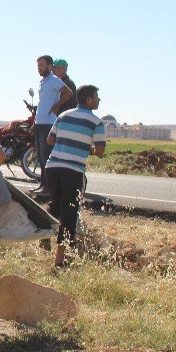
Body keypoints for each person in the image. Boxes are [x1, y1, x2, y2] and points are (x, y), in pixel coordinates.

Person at [45, 85, 106, 267]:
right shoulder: (96, 122)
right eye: (97, 96)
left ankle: (44, 235)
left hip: (53, 167)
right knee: (69, 212)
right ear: (88, 99)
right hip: (73, 171)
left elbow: (50, 140)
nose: (99, 100)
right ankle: (60, 259)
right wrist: (90, 149)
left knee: (54, 206)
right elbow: (101, 151)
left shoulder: (64, 115)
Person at [31, 55, 73, 195]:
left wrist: (56, 105)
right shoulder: (43, 82)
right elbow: (42, 104)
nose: (39, 68)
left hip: (48, 123)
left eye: (41, 65)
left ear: (50, 66)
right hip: (40, 123)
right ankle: (43, 185)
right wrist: (35, 123)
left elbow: (68, 93)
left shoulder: (54, 80)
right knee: (41, 157)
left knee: (46, 155)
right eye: (38, 66)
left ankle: (49, 187)